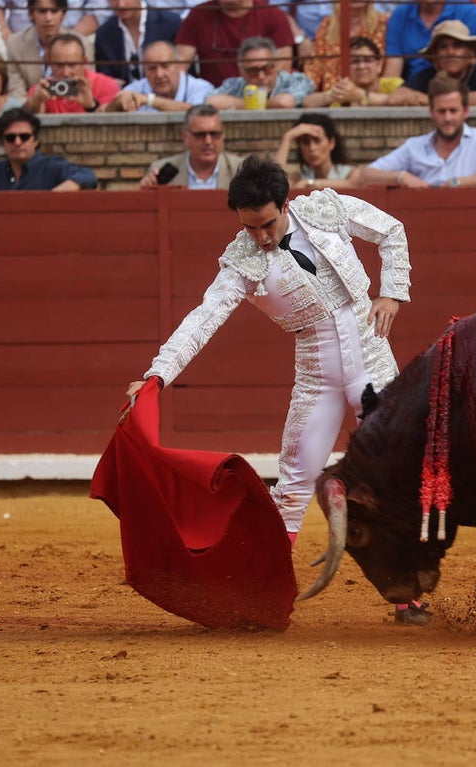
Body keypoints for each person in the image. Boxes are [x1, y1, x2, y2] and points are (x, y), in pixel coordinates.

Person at [124, 156, 428, 625]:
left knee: (396, 475)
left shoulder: (326, 209)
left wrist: (393, 292)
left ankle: (407, 595)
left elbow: (392, 230)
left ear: (286, 204)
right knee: (292, 487)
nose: (261, 237)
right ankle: (256, 590)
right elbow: (203, 318)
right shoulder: (242, 260)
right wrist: (157, 374)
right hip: (316, 371)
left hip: (371, 355)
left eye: (266, 224)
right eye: (250, 228)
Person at [361, 72, 476, 188]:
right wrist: (401, 177)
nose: (448, 118)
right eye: (442, 111)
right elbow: (367, 175)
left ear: (465, 111)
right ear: (431, 112)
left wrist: (457, 182)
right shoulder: (415, 146)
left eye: (453, 110)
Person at [174, 0, 294, 87]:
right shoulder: (198, 14)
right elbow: (180, 65)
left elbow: (283, 68)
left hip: (262, 95)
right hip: (213, 98)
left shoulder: (273, 16)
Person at [0, 107, 98, 190]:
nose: (17, 142)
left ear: (35, 141)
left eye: (24, 137)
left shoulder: (52, 167)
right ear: (2, 142)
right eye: (10, 137)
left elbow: (87, 176)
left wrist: (55, 195)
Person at [389, 19, 476, 106]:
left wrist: (431, 100)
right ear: (435, 58)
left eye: (457, 46)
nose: (450, 52)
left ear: (472, 56)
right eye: (443, 47)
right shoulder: (428, 75)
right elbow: (395, 98)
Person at [139, 103, 244, 189]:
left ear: (222, 136)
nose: (208, 141)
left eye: (214, 134)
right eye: (200, 135)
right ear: (185, 136)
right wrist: (146, 194)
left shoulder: (242, 171)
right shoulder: (161, 172)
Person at [383, 0, 476, 80]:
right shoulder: (400, 15)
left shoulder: (469, 12)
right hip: (415, 86)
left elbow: (466, 67)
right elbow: (392, 73)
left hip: (462, 85)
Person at [204, 35, 314, 110]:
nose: (261, 76)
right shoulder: (233, 84)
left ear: (275, 65)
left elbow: (284, 102)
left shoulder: (296, 80)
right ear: (241, 70)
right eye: (253, 71)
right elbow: (211, 102)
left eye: (267, 68)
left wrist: (240, 104)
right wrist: (263, 104)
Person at [102, 40, 214, 112]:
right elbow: (107, 116)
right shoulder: (136, 88)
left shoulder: (201, 87)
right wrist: (117, 104)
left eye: (165, 66)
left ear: (178, 65)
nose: (159, 74)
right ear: (144, 70)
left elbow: (196, 112)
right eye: (152, 68)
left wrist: (148, 100)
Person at [23, 32, 122, 113]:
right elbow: (27, 126)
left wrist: (91, 105)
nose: (66, 72)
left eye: (72, 65)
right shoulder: (42, 90)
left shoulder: (106, 85)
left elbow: (111, 128)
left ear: (84, 62)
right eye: (59, 65)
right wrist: (36, 102)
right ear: (49, 63)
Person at [303, 0, 388, 94]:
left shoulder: (383, 23)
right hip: (333, 98)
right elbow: (315, 68)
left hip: (371, 99)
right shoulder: (327, 24)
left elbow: (388, 68)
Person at [93, 0, 183, 83]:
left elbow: (183, 74)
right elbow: (105, 77)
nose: (121, 4)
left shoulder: (170, 23)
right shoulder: (104, 34)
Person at [301, 35, 403, 107]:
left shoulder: (392, 84)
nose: (362, 66)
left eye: (367, 60)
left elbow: (404, 99)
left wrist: (359, 95)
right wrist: (329, 97)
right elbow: (307, 102)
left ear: (379, 65)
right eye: (355, 61)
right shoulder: (345, 91)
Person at [273, 112, 360, 190]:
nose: (312, 148)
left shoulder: (350, 174)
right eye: (305, 142)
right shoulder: (297, 178)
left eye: (317, 141)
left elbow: (354, 184)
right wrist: (287, 138)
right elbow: (274, 184)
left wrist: (310, 183)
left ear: (331, 143)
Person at [5, 0, 72, 100]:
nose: (48, 18)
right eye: (42, 11)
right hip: (28, 112)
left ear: (64, 15)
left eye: (54, 11)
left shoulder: (82, 44)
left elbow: (83, 87)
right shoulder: (14, 45)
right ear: (31, 14)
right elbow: (17, 94)